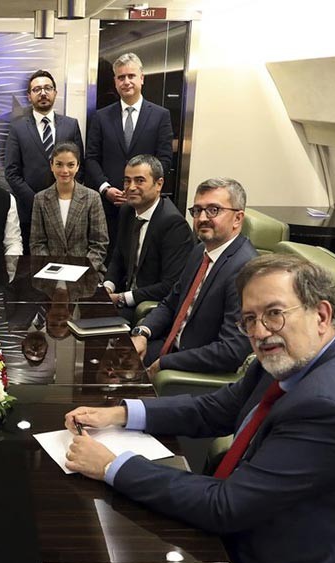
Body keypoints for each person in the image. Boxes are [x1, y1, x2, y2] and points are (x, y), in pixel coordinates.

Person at [64, 253, 335, 563]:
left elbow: (226, 506)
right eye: (250, 319)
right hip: (292, 515)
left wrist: (111, 465)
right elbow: (217, 408)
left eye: (274, 313)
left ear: (321, 315)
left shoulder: (329, 405)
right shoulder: (303, 354)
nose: (259, 331)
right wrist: (121, 414)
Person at [131, 177, 256, 375]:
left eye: (213, 210)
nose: (202, 218)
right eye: (197, 210)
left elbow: (231, 351)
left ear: (238, 218)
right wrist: (143, 332)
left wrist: (166, 363)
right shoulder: (200, 251)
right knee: (109, 360)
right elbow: (171, 303)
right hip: (169, 347)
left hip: (193, 370)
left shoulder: (245, 269)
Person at [86, 54, 173, 255]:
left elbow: (165, 159)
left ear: (142, 78)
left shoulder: (160, 116)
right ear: (115, 82)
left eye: (131, 76)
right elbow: (91, 157)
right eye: (121, 77)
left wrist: (141, 187)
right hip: (109, 204)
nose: (126, 82)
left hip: (145, 205)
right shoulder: (101, 117)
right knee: (108, 257)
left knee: (141, 256)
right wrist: (105, 188)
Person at [103, 155, 193, 317]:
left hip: (148, 307)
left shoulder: (173, 224)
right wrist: (107, 287)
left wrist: (122, 298)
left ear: (159, 184)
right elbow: (118, 257)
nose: (131, 187)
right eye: (127, 181)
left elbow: (171, 285)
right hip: (124, 295)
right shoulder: (127, 211)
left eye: (139, 181)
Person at [5, 69, 85, 252]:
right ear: (29, 96)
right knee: (30, 268)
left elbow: (81, 167)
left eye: (48, 88)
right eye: (37, 89)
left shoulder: (71, 125)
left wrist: (67, 199)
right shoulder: (17, 128)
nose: (43, 93)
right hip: (30, 211)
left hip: (66, 208)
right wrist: (37, 201)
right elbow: (11, 172)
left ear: (55, 93)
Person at [29, 142, 108, 277]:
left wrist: (81, 270)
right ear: (51, 165)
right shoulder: (40, 199)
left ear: (77, 166)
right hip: (50, 274)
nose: (65, 171)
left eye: (70, 165)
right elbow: (37, 243)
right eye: (59, 164)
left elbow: (99, 244)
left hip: (86, 273)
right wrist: (53, 270)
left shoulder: (92, 198)